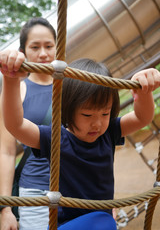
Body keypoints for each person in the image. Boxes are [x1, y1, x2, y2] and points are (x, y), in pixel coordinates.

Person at [0, 57, 160, 230]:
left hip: (99, 219)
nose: (97, 123)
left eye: (105, 113)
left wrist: (144, 92)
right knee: (104, 221)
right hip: (67, 225)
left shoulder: (108, 132)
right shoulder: (55, 138)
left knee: (104, 221)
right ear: (68, 109)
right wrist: (11, 80)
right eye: (87, 115)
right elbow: (15, 125)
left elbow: (142, 117)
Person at [0, 17, 56, 230]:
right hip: (35, 193)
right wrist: (6, 209)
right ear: (23, 50)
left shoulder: (72, 87)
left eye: (49, 46)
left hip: (77, 187)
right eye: (35, 47)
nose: (43, 53)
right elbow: (6, 151)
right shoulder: (17, 89)